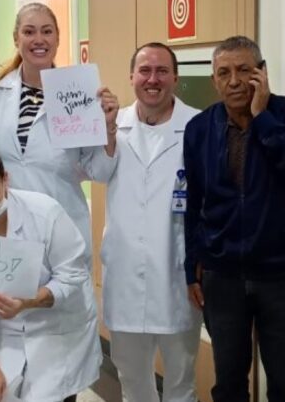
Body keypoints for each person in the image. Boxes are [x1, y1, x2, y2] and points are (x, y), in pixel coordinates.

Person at [184, 36, 285, 402]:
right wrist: (191, 268)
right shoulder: (199, 129)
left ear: (262, 73)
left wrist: (263, 118)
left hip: (284, 275)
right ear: (214, 80)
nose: (234, 81)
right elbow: (194, 203)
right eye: (224, 73)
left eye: (244, 70)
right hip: (222, 277)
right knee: (228, 385)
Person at [0, 144, 102, 402]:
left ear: (4, 179)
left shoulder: (44, 212)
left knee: (52, 396)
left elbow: (73, 276)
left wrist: (29, 301)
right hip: (7, 330)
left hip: (59, 324)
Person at [96, 43, 203, 402]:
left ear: (175, 77)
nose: (152, 79)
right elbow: (90, 171)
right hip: (126, 274)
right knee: (132, 380)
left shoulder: (198, 126)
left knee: (181, 381)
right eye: (144, 71)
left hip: (178, 276)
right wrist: (107, 132)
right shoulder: (113, 126)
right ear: (131, 77)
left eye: (161, 71)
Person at [0, 1, 118, 265]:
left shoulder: (79, 92)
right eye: (29, 32)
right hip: (6, 229)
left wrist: (109, 128)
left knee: (61, 289)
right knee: (12, 290)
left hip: (62, 229)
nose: (39, 39)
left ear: (57, 38)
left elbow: (100, 172)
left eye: (47, 31)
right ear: (16, 38)